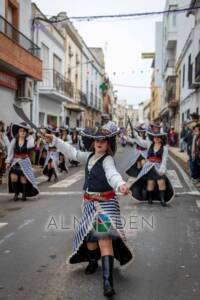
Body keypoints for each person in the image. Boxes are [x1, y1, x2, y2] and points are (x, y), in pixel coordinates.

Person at [44, 121, 133, 297]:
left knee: (104, 239)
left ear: (109, 143)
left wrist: (121, 184)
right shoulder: (89, 156)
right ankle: (93, 262)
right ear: (92, 142)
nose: (99, 143)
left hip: (106, 205)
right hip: (89, 205)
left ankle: (108, 283)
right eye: (96, 140)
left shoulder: (107, 160)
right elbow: (73, 152)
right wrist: (54, 139)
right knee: (91, 239)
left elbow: (112, 174)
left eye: (104, 140)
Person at [130, 124, 174, 207]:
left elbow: (164, 160)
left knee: (161, 182)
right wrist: (135, 134)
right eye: (155, 137)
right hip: (149, 167)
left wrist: (162, 169)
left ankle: (162, 200)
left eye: (158, 137)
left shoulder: (165, 148)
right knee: (150, 183)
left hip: (158, 167)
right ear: (152, 138)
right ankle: (149, 198)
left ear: (161, 138)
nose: (156, 138)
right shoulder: (149, 144)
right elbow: (140, 141)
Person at [5, 122, 39, 201]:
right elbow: (10, 152)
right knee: (13, 177)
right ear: (18, 132)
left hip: (25, 162)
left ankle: (24, 194)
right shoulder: (14, 140)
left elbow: (31, 146)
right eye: (21, 131)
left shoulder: (29, 140)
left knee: (23, 178)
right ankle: (16, 193)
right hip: (15, 161)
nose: (22, 132)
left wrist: (31, 136)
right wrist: (8, 162)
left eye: (24, 131)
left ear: (26, 132)